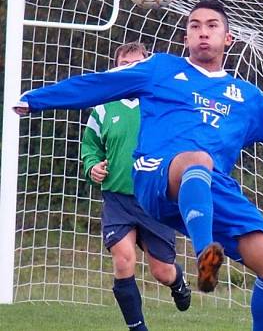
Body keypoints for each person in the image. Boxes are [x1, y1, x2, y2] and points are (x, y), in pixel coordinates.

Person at [14, 0, 263, 331]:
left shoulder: (247, 99)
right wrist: (37, 99)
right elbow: (98, 84)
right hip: (154, 174)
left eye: (212, 26)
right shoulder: (160, 68)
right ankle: (204, 254)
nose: (202, 33)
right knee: (197, 159)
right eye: (194, 26)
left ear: (227, 38)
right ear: (185, 38)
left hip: (210, 186)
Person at [80, 42, 191, 331]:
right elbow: (90, 146)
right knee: (123, 260)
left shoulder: (160, 103)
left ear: (146, 67)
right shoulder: (103, 108)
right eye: (124, 63)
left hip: (155, 199)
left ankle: (178, 282)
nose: (130, 68)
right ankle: (137, 328)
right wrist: (92, 165)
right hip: (118, 199)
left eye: (137, 63)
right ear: (116, 68)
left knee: (162, 272)